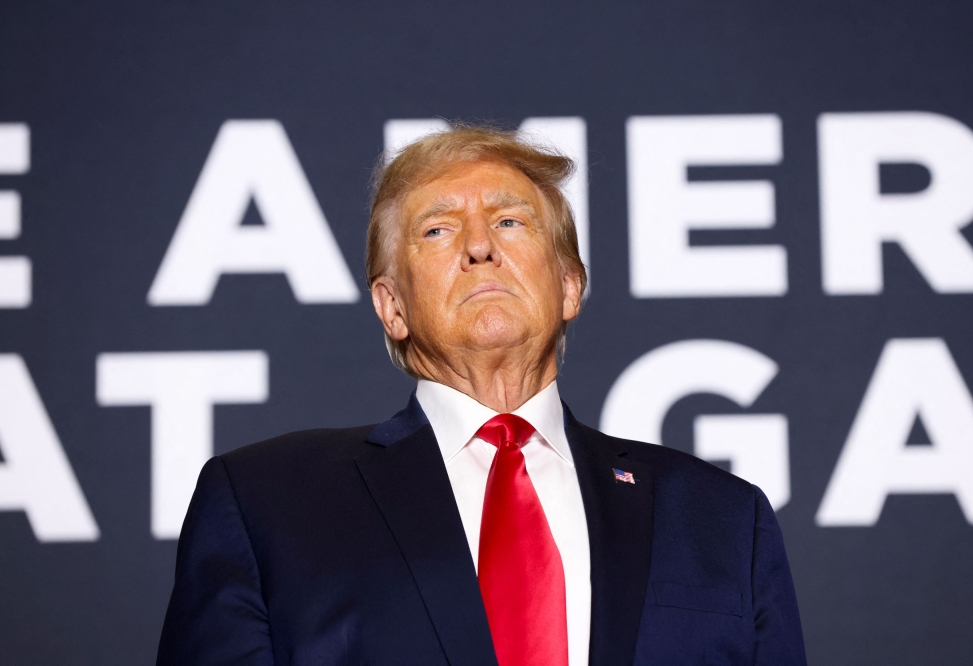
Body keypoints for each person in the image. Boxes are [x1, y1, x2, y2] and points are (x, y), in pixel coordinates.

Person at [156, 125, 807, 666]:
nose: (479, 246)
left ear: (569, 285)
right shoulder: (267, 504)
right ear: (391, 306)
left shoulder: (722, 519)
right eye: (437, 230)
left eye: (509, 220)